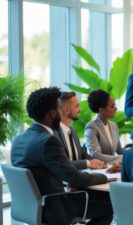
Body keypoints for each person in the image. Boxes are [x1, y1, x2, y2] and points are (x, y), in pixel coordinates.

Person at [11, 87, 113, 225]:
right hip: (55, 207)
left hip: (33, 206)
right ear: (52, 113)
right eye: (59, 108)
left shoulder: (18, 140)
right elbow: (74, 177)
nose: (61, 112)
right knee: (109, 208)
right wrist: (105, 177)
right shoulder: (48, 141)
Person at [53, 91, 106, 170]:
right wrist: (88, 163)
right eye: (77, 106)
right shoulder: (53, 134)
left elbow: (81, 152)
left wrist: (94, 161)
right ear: (67, 110)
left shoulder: (72, 131)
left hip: (79, 176)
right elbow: (63, 164)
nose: (80, 109)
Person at [85, 89, 123, 164]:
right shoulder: (91, 127)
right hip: (99, 170)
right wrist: (122, 159)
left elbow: (120, 150)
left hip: (112, 168)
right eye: (112, 106)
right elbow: (96, 155)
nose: (116, 108)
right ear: (101, 110)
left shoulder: (113, 125)